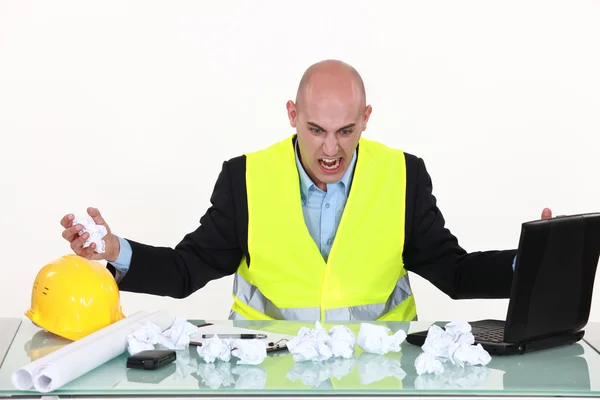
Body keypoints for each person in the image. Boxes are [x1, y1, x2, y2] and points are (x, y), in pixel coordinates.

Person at [60, 59, 552, 321]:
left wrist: (531, 262)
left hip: (376, 382)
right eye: (316, 129)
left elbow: (456, 273)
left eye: (346, 131)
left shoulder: (404, 176)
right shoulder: (244, 178)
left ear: (366, 119)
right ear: (293, 115)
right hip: (270, 379)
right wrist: (114, 250)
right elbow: (187, 270)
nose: (331, 149)